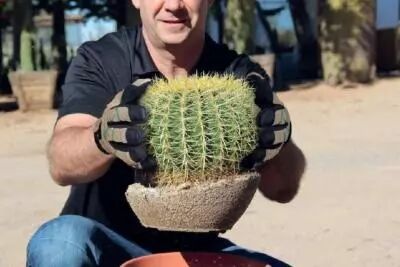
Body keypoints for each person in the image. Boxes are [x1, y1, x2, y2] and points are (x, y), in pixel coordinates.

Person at [27, 0, 306, 266]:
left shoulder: (239, 77)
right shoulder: (102, 60)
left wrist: (279, 140)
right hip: (105, 246)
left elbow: (282, 188)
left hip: (196, 253)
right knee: (58, 242)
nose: (173, 5)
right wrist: (102, 137)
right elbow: (61, 164)